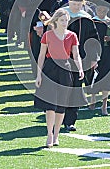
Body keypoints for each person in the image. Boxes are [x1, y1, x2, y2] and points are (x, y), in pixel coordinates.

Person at [34, 8, 84, 148]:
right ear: (56, 21)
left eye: (66, 20)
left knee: (61, 105)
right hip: (50, 69)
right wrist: (38, 75)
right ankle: (49, 134)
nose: (64, 23)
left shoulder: (72, 36)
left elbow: (76, 54)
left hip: (66, 69)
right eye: (62, 20)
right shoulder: (47, 35)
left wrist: (80, 68)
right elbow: (41, 55)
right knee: (50, 106)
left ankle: (56, 135)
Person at [62, 0, 99, 131]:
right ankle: (58, 116)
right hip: (61, 59)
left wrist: (93, 58)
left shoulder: (86, 18)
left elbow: (94, 41)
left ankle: (70, 121)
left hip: (80, 59)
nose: (76, 7)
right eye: (73, 4)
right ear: (68, 3)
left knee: (76, 90)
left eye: (79, 4)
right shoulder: (60, 16)